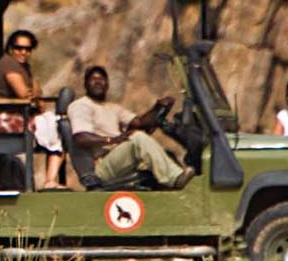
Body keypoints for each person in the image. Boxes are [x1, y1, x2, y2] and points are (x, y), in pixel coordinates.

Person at [65, 65, 193, 190]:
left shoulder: (112, 107)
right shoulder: (81, 106)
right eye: (93, 79)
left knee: (166, 154)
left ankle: (180, 188)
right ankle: (174, 179)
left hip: (120, 160)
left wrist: (157, 107)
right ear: (86, 84)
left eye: (102, 79)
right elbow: (81, 137)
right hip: (101, 165)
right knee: (137, 139)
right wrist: (112, 140)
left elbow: (139, 122)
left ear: (107, 84)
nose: (98, 82)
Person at [0, 30, 63, 188]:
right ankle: (50, 180)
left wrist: (34, 92)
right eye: (18, 48)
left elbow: (36, 91)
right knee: (60, 128)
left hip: (21, 114)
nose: (23, 52)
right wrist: (33, 94)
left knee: (62, 126)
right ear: (10, 48)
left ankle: (51, 180)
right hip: (5, 117)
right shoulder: (8, 64)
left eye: (28, 49)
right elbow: (23, 94)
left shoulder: (24, 67)